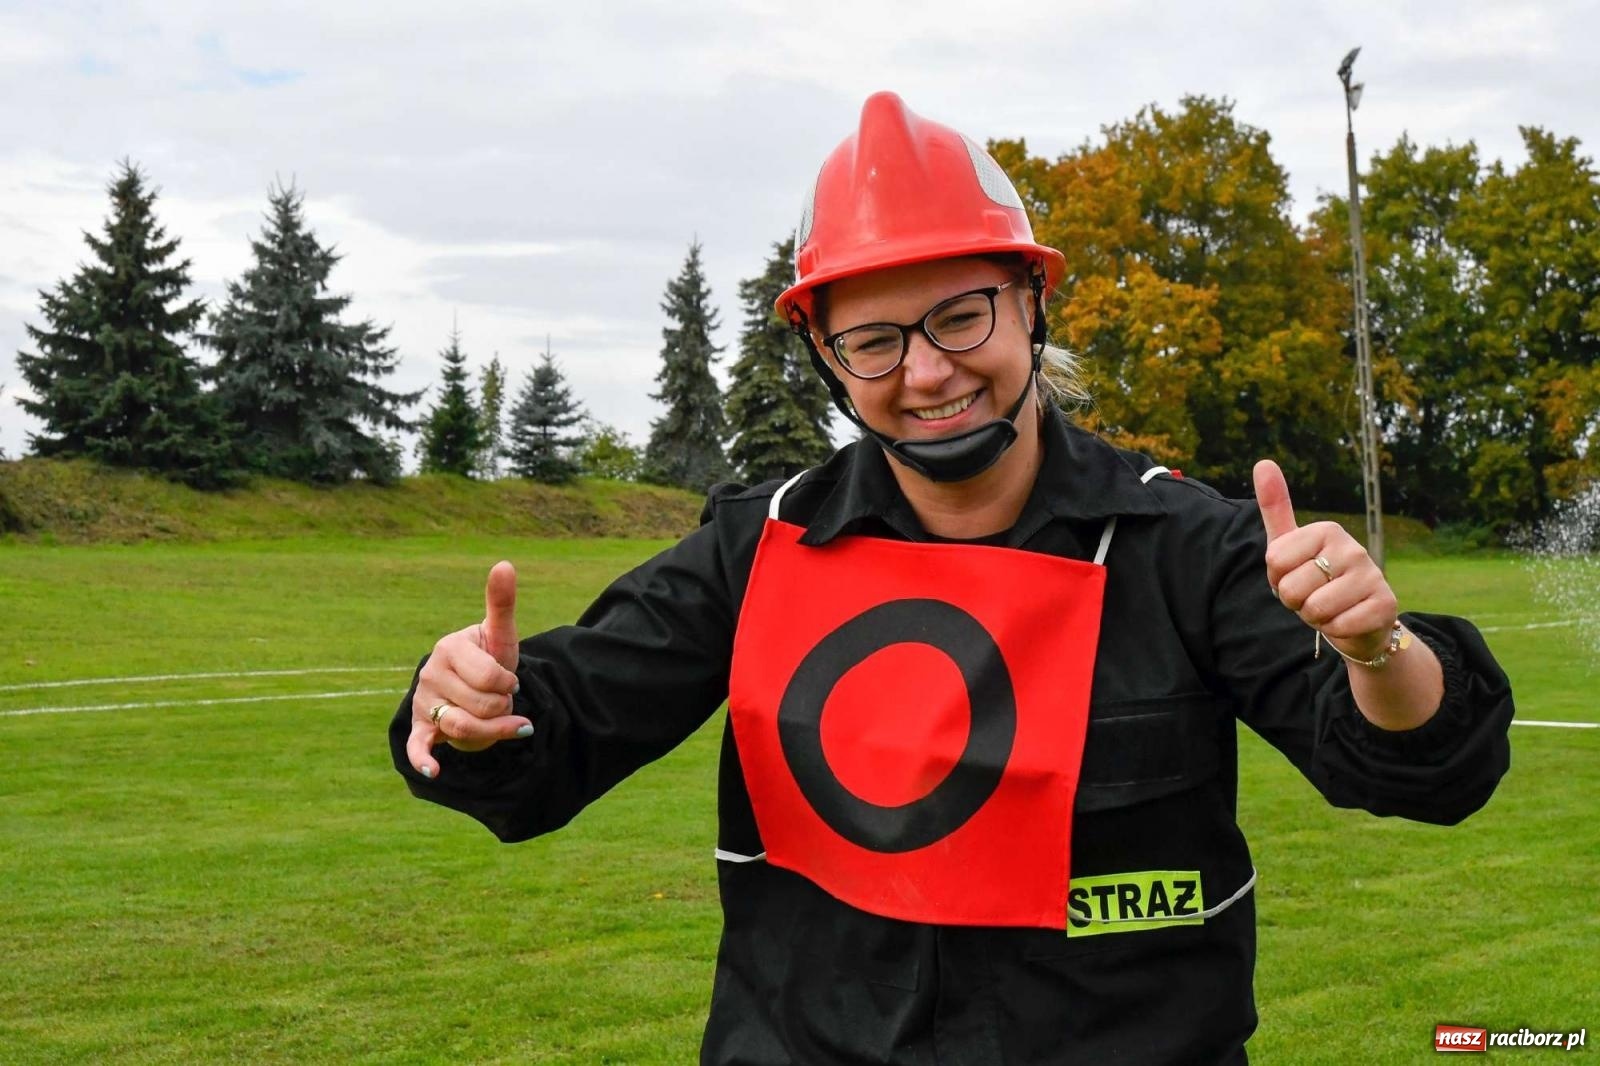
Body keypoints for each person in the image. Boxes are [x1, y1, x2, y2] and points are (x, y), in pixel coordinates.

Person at [390, 92, 1513, 1064]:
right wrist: (473, 706)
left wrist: (1377, 650)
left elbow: (1420, 769)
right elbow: (550, 735)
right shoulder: (759, 546)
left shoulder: (1182, 543)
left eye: (959, 315)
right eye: (873, 339)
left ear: (1030, 303)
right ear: (826, 357)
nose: (926, 371)